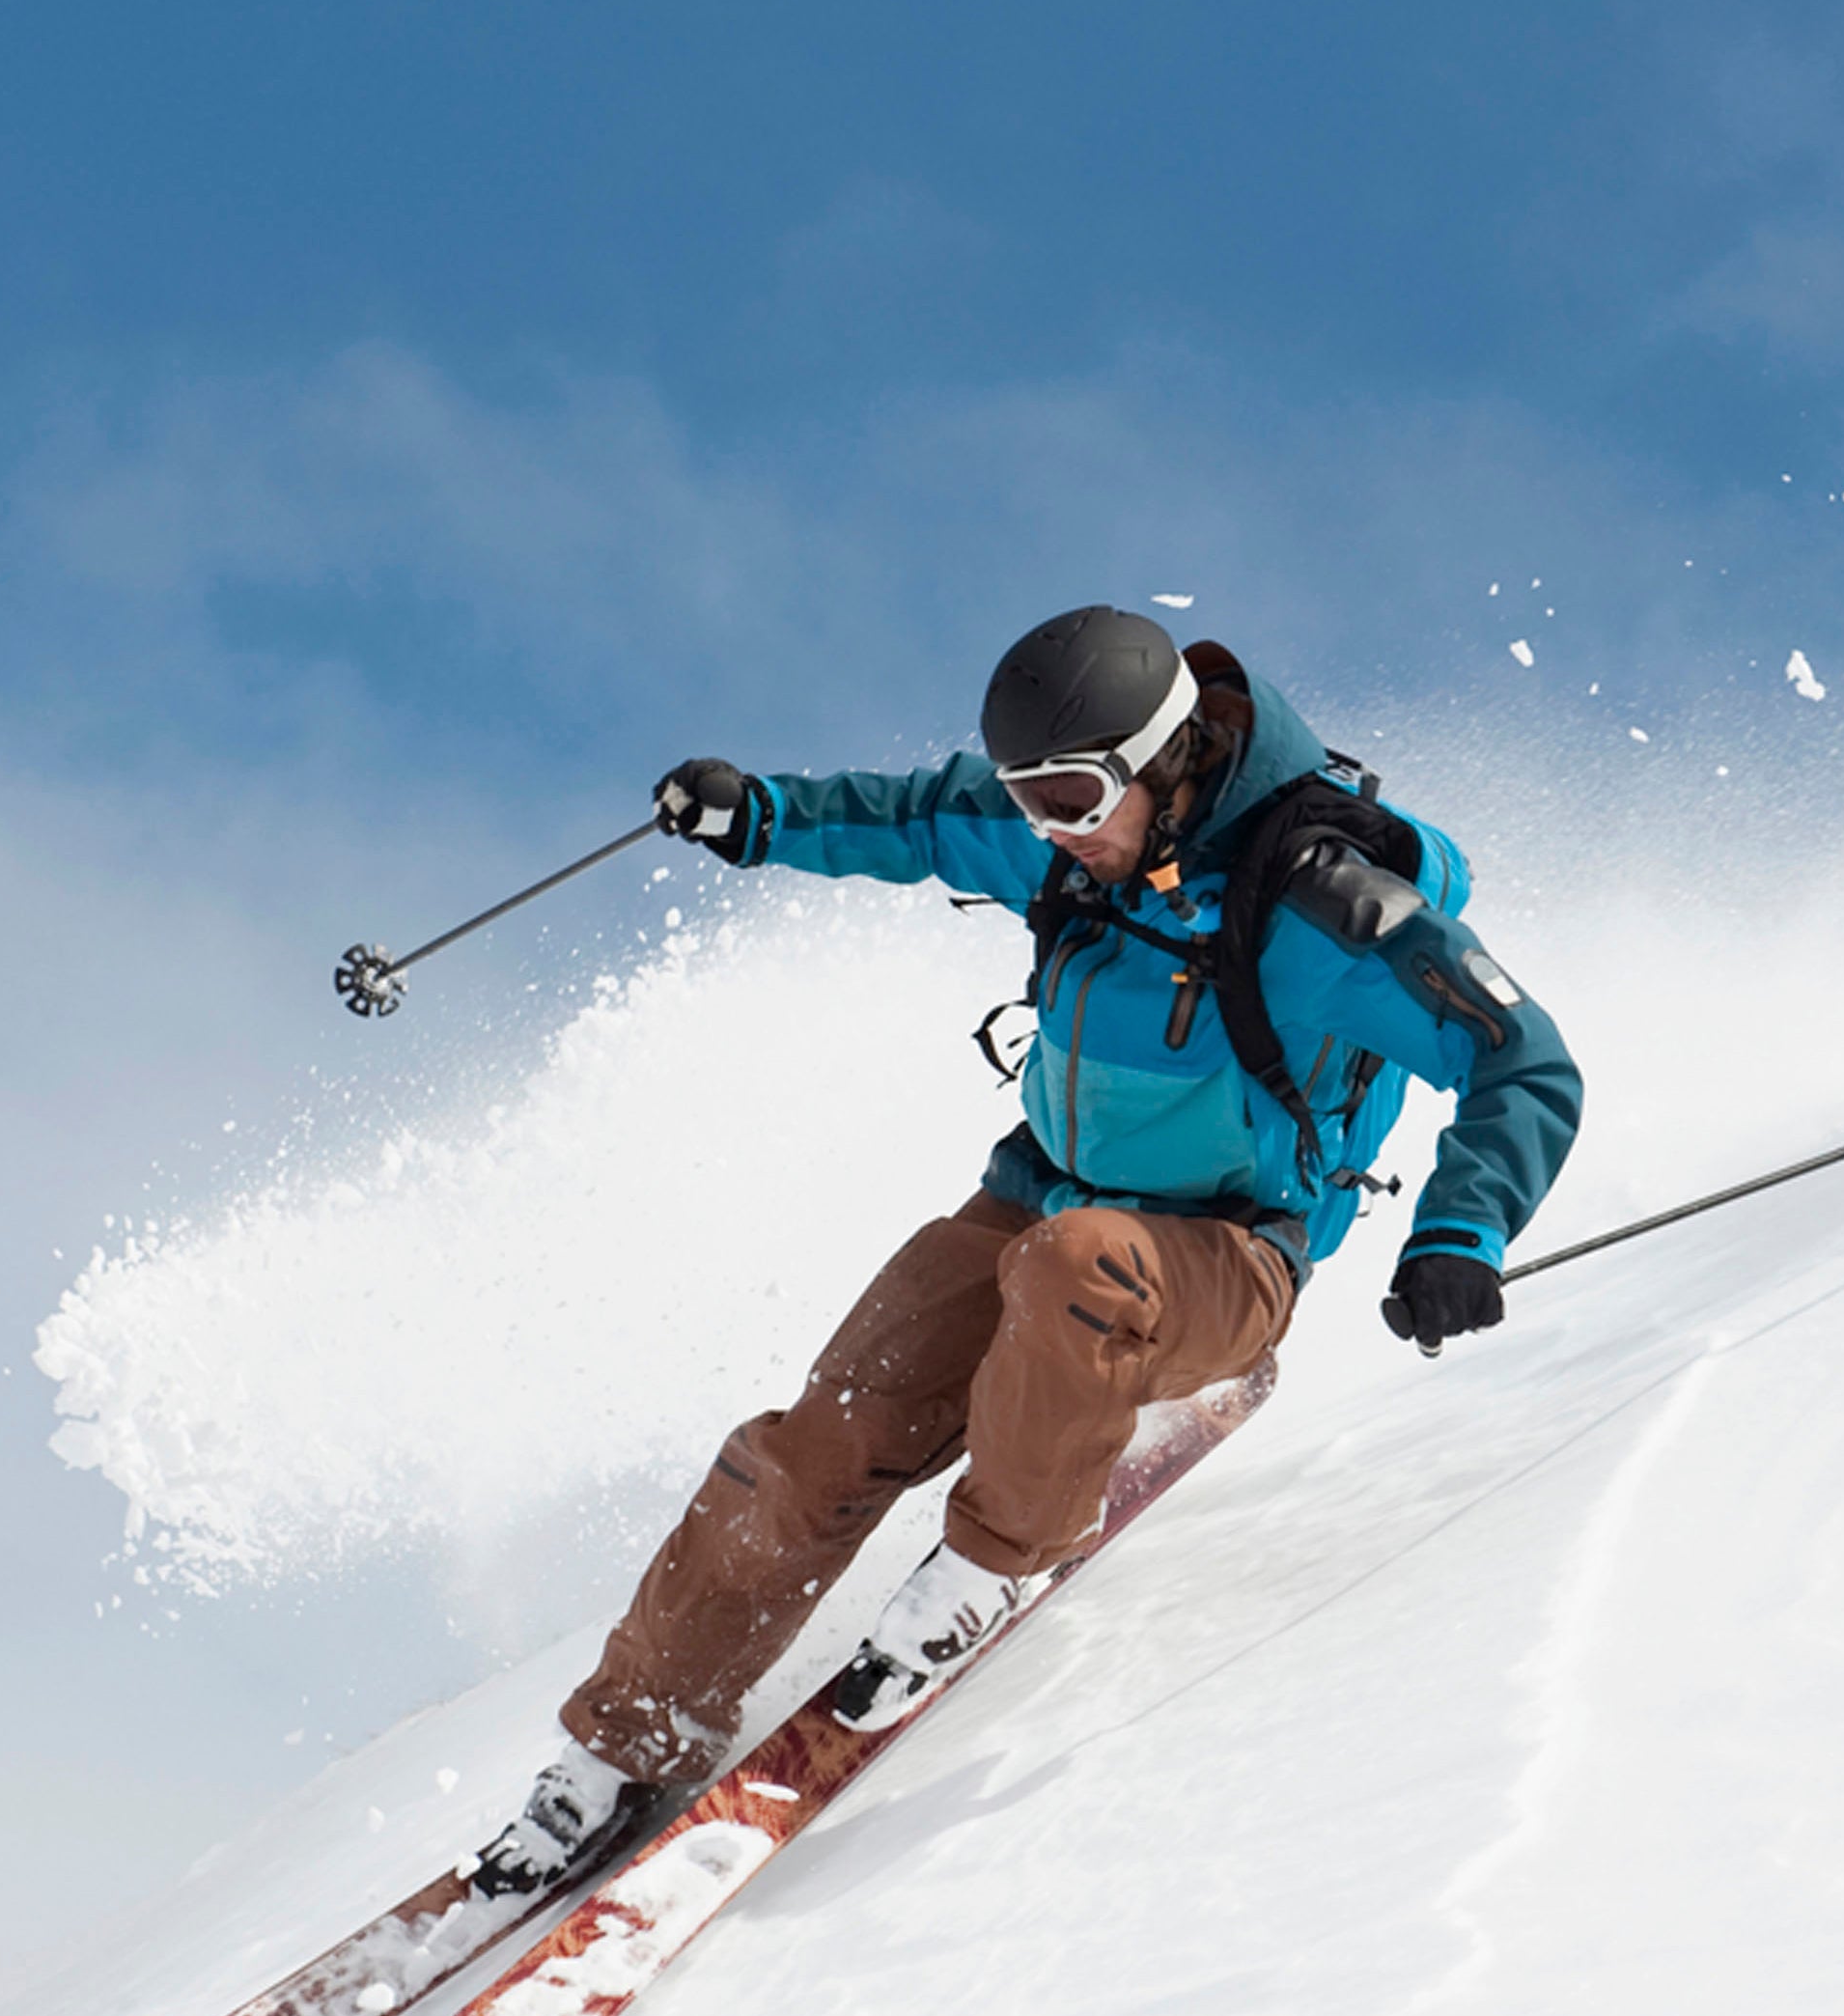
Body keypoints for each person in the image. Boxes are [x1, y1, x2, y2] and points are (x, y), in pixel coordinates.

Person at [471, 606, 1582, 1895]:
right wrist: (761, 813)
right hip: (1037, 1202)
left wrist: (1460, 1229)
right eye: (1027, 799)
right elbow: (911, 816)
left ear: (1166, 765)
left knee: (1076, 1269)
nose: (1050, 830)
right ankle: (625, 1741)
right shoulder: (1073, 853)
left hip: (1228, 1253)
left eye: (1070, 798)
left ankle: (993, 1559)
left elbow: (1519, 1057)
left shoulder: (1316, 908)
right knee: (825, 1434)